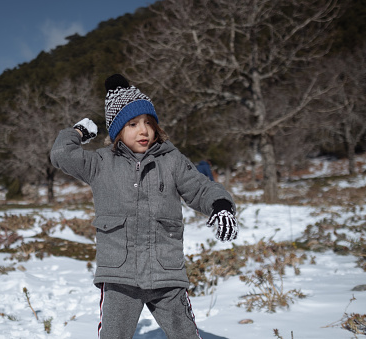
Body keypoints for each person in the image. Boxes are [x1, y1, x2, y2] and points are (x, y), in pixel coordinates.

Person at [50, 74, 238, 339]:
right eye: (133, 123)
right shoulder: (101, 163)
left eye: (149, 122)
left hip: (166, 274)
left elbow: (200, 187)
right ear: (117, 130)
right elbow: (61, 154)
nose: (144, 130)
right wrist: (78, 133)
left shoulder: (171, 160)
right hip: (119, 277)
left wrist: (220, 204)